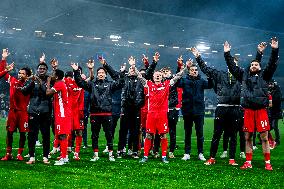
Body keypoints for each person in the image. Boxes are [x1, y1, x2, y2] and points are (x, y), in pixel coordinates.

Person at [190, 43, 265, 166]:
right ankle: (212, 158)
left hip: (235, 108)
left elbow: (255, 68)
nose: (233, 65)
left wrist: (259, 54)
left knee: (233, 136)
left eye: (235, 63)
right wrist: (198, 56)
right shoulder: (220, 74)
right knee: (217, 134)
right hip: (222, 108)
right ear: (228, 63)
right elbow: (205, 69)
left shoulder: (242, 76)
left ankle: (232, 159)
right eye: (231, 62)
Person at [224, 37, 279, 171]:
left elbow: (272, 63)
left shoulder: (264, 75)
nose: (254, 66)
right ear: (250, 67)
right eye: (252, 64)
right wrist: (227, 53)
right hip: (248, 110)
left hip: (261, 110)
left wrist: (274, 50)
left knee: (264, 137)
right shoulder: (243, 76)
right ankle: (248, 161)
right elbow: (232, 67)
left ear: (259, 67)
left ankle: (267, 162)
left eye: (256, 64)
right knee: (247, 136)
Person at [131, 54, 189, 163]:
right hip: (151, 115)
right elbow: (139, 76)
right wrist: (133, 66)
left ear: (162, 77)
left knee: (163, 135)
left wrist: (186, 67)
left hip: (162, 115)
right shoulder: (148, 85)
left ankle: (163, 156)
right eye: (155, 75)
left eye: (159, 75)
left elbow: (177, 76)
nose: (157, 76)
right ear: (153, 77)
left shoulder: (167, 85)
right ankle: (146, 156)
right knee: (148, 135)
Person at [72, 57, 124, 162]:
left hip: (107, 113)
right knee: (94, 135)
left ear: (105, 74)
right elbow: (80, 83)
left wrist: (118, 71)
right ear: (97, 74)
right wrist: (76, 71)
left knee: (109, 134)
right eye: (99, 72)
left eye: (102, 72)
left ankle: (110, 154)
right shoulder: (92, 85)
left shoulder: (110, 84)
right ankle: (95, 155)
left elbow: (121, 82)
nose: (100, 74)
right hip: (95, 114)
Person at [177, 58, 213, 161]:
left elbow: (210, 85)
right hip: (187, 111)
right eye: (192, 70)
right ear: (189, 71)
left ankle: (200, 153)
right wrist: (180, 67)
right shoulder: (184, 80)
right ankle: (187, 153)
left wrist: (209, 76)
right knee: (187, 133)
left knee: (200, 134)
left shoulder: (201, 81)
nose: (194, 71)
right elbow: (177, 82)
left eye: (195, 70)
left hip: (199, 111)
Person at [20, 53, 52, 164]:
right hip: (33, 110)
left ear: (46, 70)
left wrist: (39, 82)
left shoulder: (49, 80)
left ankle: (45, 157)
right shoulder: (33, 80)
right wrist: (32, 82)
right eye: (40, 68)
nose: (41, 70)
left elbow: (48, 94)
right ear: (37, 70)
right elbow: (24, 92)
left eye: (43, 68)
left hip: (45, 111)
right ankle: (32, 157)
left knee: (45, 135)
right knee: (32, 135)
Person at [0, 49, 31, 161]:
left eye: (22, 73)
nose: (20, 74)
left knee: (23, 134)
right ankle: (8, 154)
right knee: (10, 133)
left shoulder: (29, 84)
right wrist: (3, 59)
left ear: (27, 76)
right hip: (12, 111)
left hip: (23, 112)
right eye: (19, 72)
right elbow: (3, 73)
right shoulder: (12, 80)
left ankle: (19, 154)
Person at [46, 69, 71, 166]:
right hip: (61, 113)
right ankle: (64, 156)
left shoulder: (59, 84)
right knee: (61, 135)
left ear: (56, 77)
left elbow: (47, 93)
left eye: (52, 74)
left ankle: (64, 158)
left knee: (62, 135)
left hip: (63, 113)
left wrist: (48, 81)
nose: (51, 76)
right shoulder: (60, 83)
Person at [267, 79, 282, 147]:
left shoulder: (277, 91)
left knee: (274, 126)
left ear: (273, 84)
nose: (270, 85)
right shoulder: (271, 90)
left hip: (276, 112)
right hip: (272, 112)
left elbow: (276, 99)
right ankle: (265, 138)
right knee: (268, 127)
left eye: (271, 84)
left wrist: (270, 98)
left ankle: (277, 140)